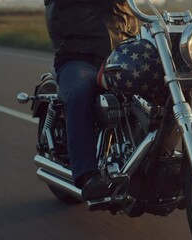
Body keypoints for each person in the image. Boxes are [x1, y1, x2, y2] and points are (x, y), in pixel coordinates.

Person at [44, 0, 138, 201]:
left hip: (124, 56)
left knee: (168, 86)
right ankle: (88, 175)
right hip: (80, 57)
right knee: (80, 92)